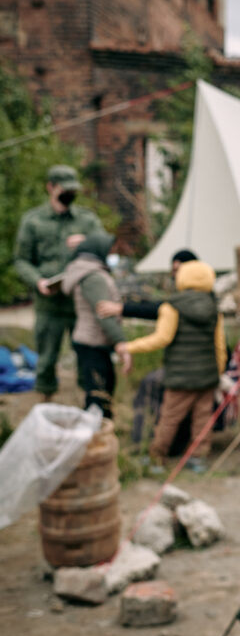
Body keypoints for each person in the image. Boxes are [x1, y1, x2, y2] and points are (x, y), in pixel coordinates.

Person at [117, 259, 226, 472]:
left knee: (169, 418)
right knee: (202, 419)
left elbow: (162, 338)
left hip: (180, 376)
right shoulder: (214, 308)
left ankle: (157, 457)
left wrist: (131, 347)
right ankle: (198, 458)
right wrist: (217, 371)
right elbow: (220, 345)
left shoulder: (171, 307)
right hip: (207, 375)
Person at [13, 165, 105, 399]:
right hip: (49, 305)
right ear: (51, 187)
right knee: (45, 360)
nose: (70, 194)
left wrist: (87, 242)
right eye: (65, 189)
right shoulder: (33, 221)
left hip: (80, 304)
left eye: (73, 190)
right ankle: (44, 403)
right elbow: (22, 260)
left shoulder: (86, 219)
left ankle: (91, 406)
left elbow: (104, 248)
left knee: (87, 356)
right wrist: (38, 281)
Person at [60, 233, 130, 418]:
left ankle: (98, 432)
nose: (112, 252)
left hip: (92, 340)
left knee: (102, 389)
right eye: (110, 248)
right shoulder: (93, 276)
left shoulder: (89, 272)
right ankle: (95, 436)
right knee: (98, 395)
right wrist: (120, 342)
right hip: (92, 341)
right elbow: (103, 312)